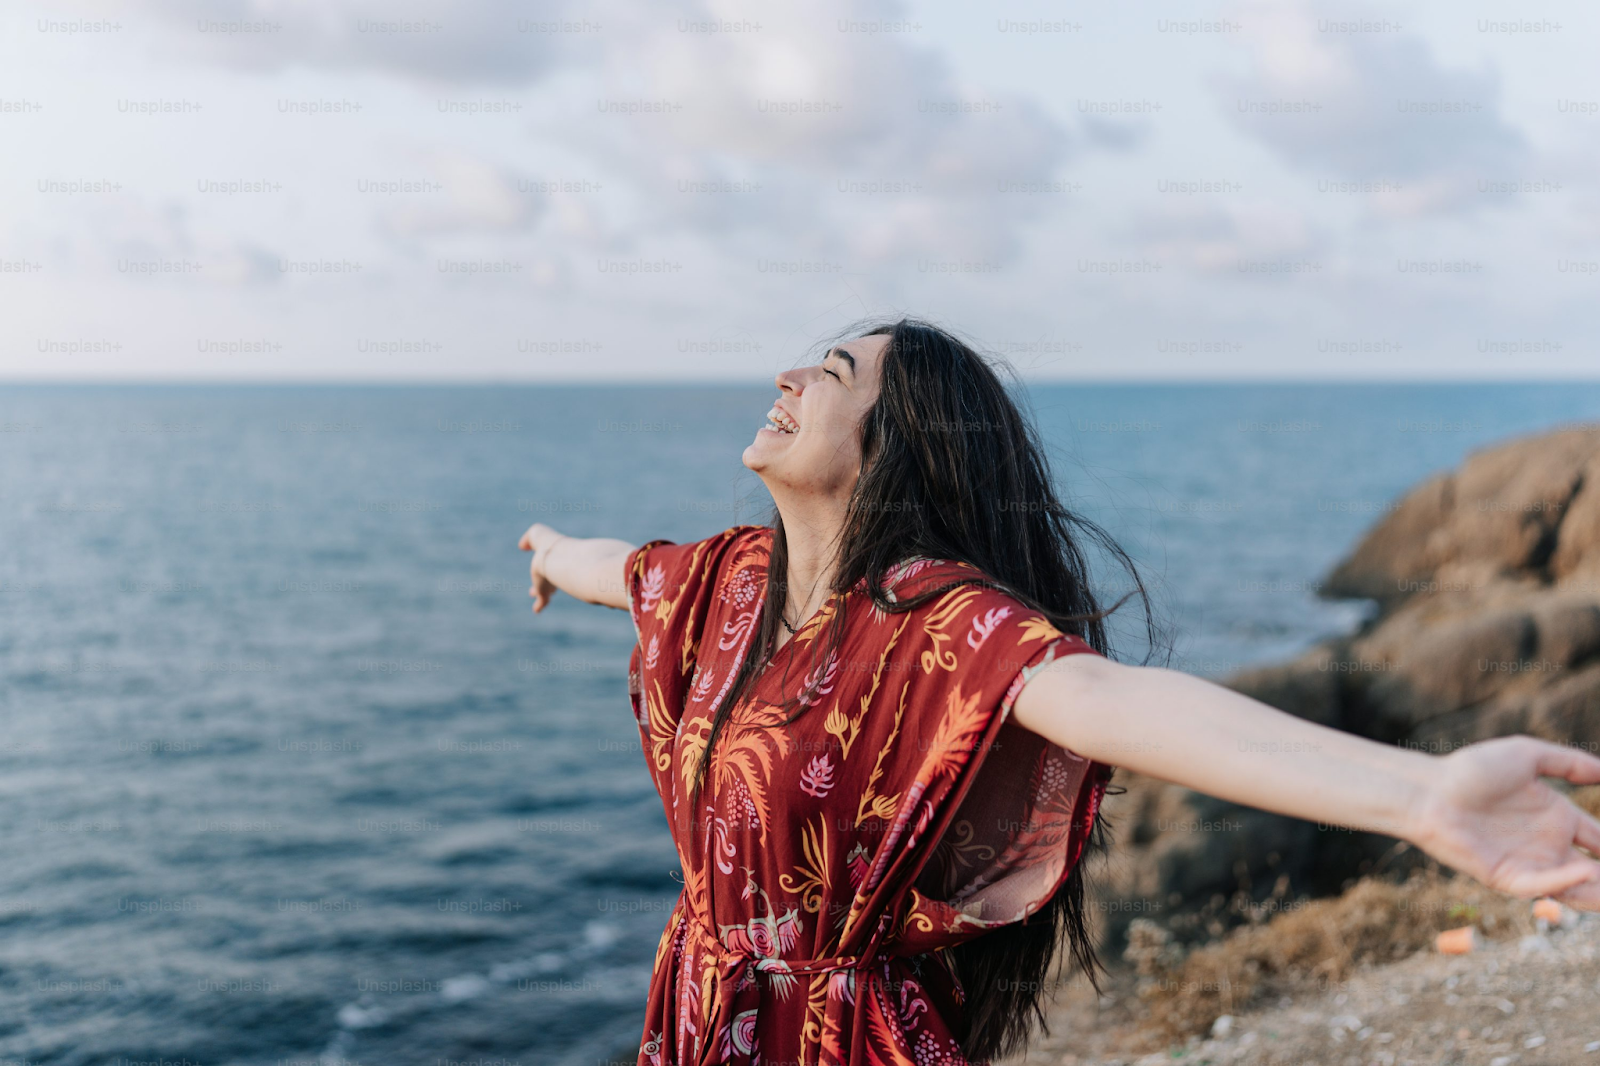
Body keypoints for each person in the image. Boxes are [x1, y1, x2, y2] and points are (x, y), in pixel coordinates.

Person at [519, 318, 1600, 1066]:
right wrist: (549, 547)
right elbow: (621, 569)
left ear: (893, 446)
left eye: (832, 373)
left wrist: (1416, 795)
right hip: (702, 1013)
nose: (789, 379)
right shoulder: (728, 579)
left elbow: (1115, 704)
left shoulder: (935, 622)